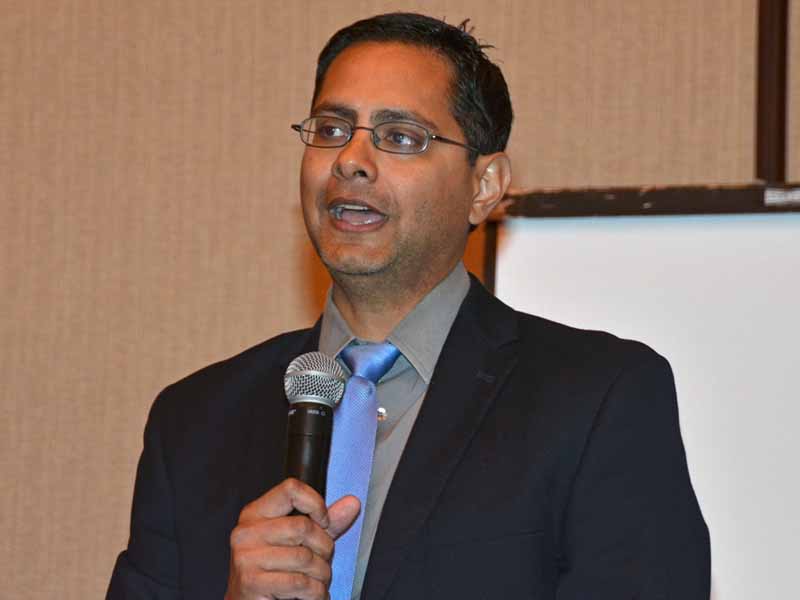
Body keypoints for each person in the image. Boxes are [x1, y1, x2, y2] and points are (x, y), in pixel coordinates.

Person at [107, 12, 710, 600]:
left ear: (484, 187)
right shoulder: (194, 423)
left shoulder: (596, 399)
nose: (349, 160)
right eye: (331, 129)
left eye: (400, 137)